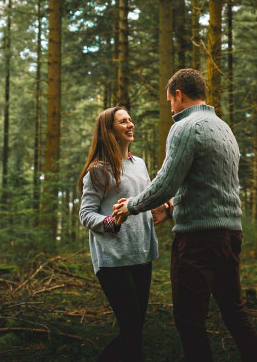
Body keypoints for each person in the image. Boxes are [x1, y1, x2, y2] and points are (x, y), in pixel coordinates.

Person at [113, 68, 257, 362]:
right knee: (234, 312)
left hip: (197, 240)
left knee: (188, 318)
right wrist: (170, 209)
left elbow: (166, 182)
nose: (170, 107)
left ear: (179, 95)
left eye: (170, 100)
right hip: (230, 234)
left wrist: (130, 205)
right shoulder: (223, 127)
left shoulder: (185, 127)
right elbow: (204, 186)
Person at [78, 106, 169, 362]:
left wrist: (166, 208)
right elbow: (85, 215)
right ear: (109, 131)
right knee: (131, 329)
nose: (130, 124)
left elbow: (149, 200)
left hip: (142, 254)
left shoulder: (139, 164)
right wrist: (111, 222)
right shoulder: (98, 169)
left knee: (135, 330)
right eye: (123, 122)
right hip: (113, 259)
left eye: (130, 120)